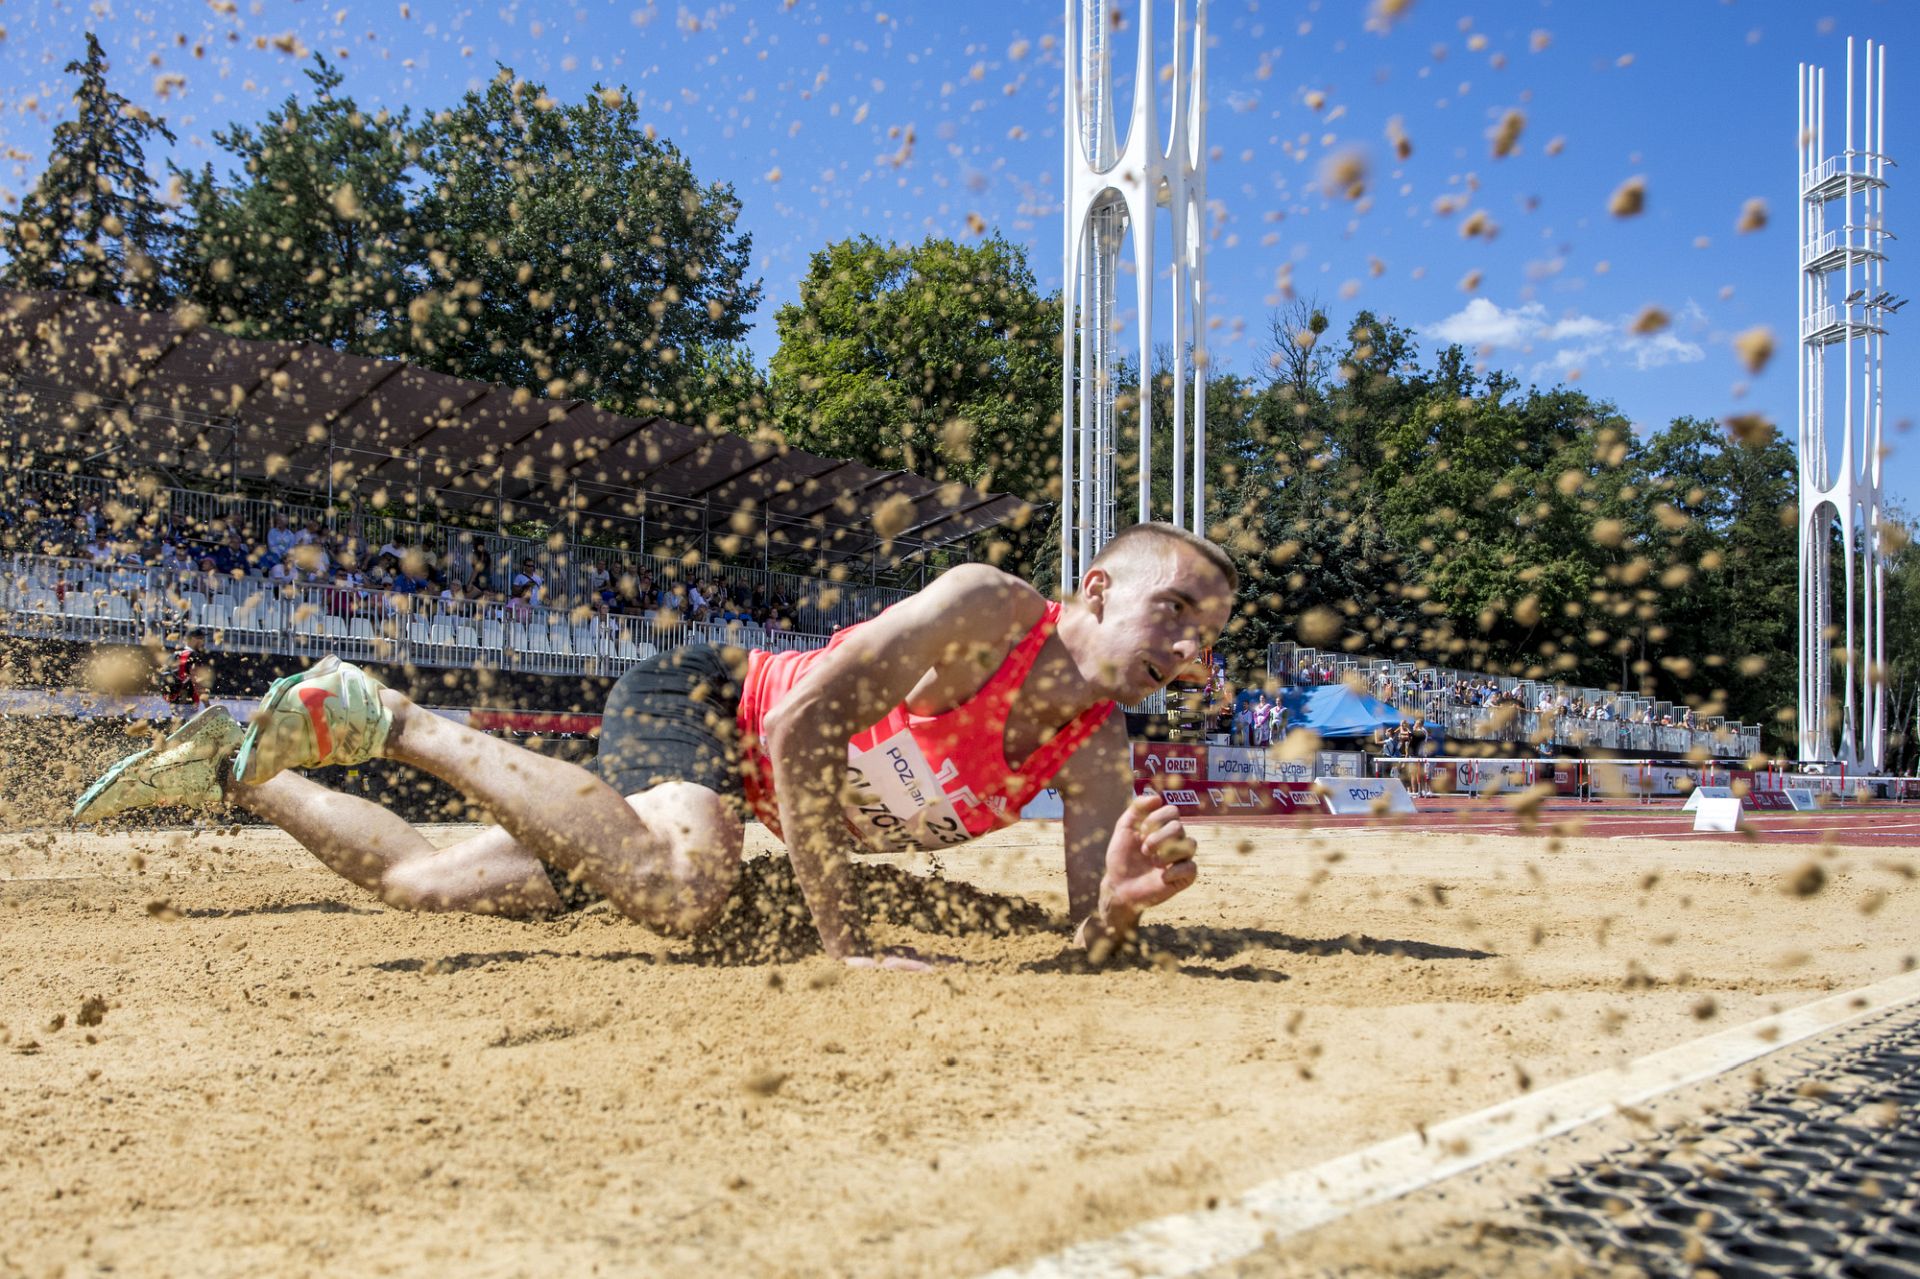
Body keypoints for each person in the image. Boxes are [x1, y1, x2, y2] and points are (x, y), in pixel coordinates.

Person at [73, 522, 1236, 967]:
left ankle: (237, 764)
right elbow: (797, 723)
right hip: (712, 705)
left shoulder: (1097, 749)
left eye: (1209, 635)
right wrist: (843, 939)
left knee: (422, 882)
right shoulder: (989, 610)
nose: (1188, 647)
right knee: (687, 888)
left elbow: (1087, 939)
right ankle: (393, 715)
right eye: (1174, 609)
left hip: (744, 799)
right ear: (1096, 588)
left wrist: (1117, 911)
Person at [158, 627, 212, 719]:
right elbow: (196, 681)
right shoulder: (193, 656)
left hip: (174, 702)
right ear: (193, 639)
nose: (203, 642)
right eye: (201, 638)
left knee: (178, 725)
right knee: (189, 726)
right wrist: (207, 704)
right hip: (188, 702)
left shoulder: (175, 654)